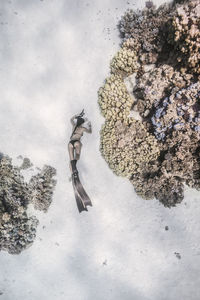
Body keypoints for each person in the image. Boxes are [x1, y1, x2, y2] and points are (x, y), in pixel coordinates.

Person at [68, 110, 92, 175]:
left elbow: (71, 119)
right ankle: (74, 170)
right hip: (77, 142)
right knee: (77, 156)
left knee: (71, 159)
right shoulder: (82, 128)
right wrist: (90, 125)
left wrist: (77, 115)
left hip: (70, 143)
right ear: (82, 123)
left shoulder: (74, 126)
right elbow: (90, 132)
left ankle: (72, 171)